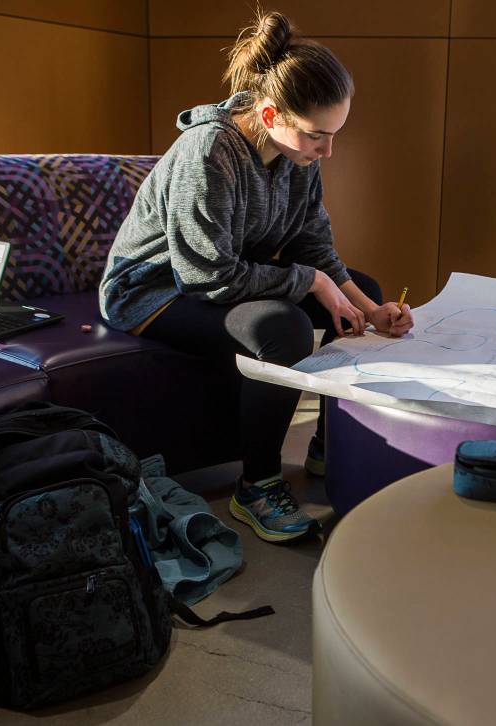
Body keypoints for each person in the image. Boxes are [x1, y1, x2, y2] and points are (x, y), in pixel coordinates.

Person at [99, 11, 414, 543]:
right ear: (269, 114)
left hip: (229, 270)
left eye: (335, 134)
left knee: (365, 290)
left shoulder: (299, 154)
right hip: (155, 289)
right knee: (284, 326)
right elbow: (206, 276)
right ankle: (258, 484)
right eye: (319, 136)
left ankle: (328, 444)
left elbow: (314, 247)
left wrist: (369, 308)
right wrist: (310, 282)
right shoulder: (209, 152)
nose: (328, 151)